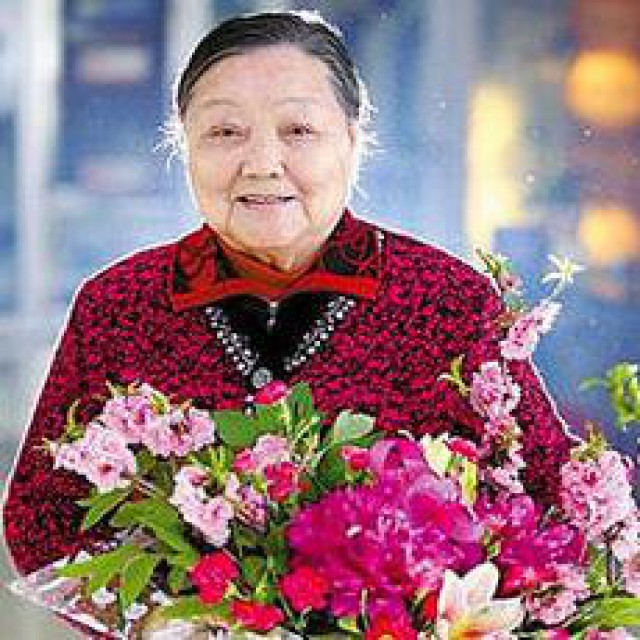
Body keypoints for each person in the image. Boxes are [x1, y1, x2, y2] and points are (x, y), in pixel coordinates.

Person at [4, 9, 573, 587]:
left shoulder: (450, 301)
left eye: (298, 130)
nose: (261, 164)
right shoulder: (118, 306)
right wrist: (167, 620)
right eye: (225, 132)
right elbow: (41, 521)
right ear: (184, 144)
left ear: (352, 140)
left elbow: (551, 499)